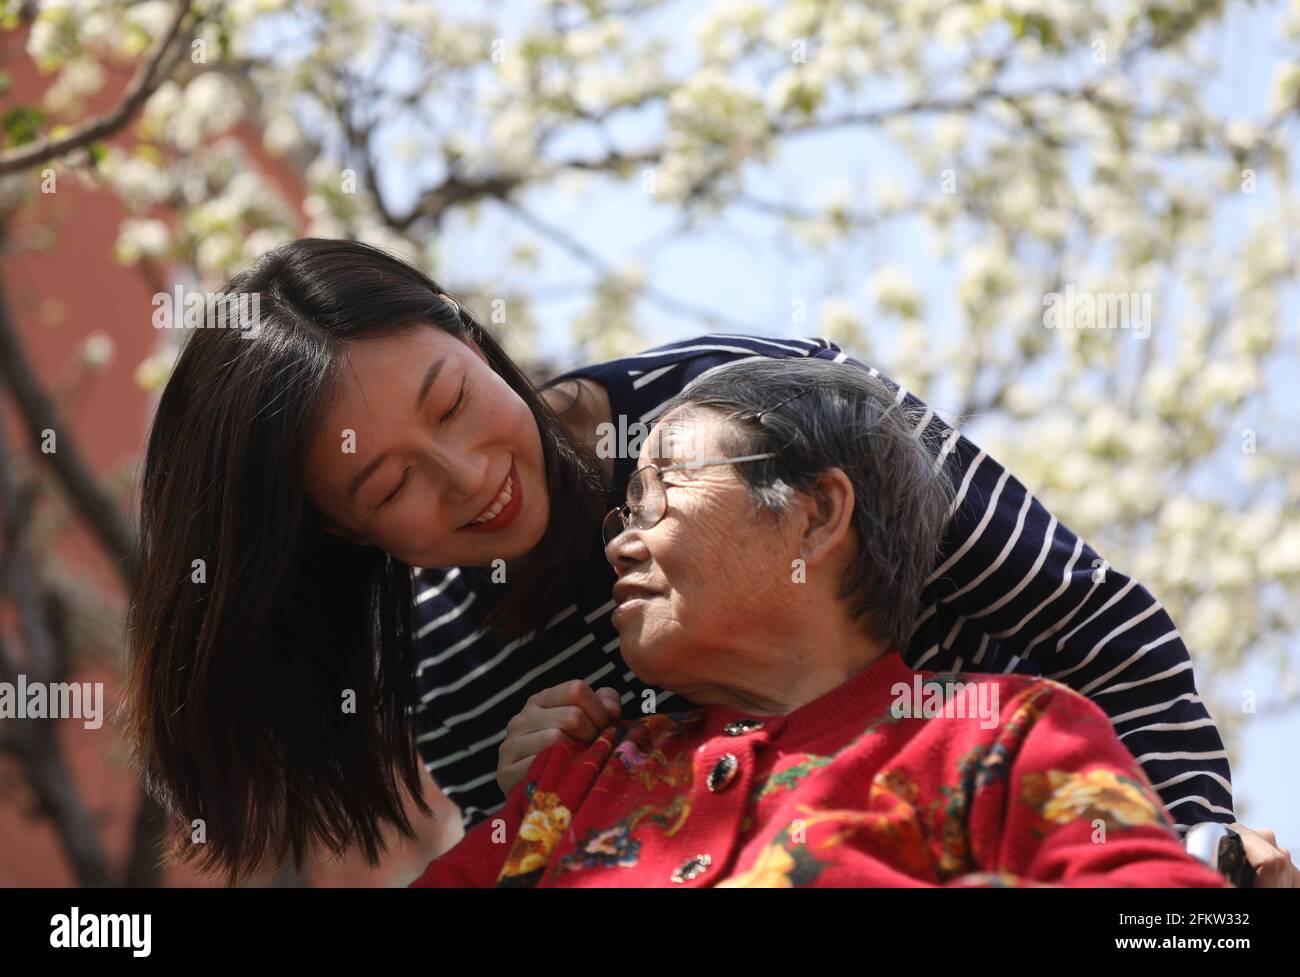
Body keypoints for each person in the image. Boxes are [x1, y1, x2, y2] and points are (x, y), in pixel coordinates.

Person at [123, 237, 1232, 883]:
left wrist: (1195, 845)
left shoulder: (752, 407)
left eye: (452, 400)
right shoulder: (443, 665)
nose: (467, 475)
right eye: (389, 484)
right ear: (343, 533)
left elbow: (1101, 629)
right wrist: (536, 811)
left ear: (465, 331)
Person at [410, 359, 1227, 887]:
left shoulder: (1005, 735)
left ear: (814, 513)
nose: (621, 540)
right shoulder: (571, 784)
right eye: (626, 509)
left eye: (660, 493)